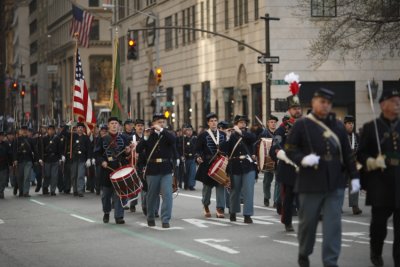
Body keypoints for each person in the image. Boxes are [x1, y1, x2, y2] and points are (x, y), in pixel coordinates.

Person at [285, 88, 360, 267]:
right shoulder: (301, 124)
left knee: (333, 226)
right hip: (309, 183)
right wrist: (302, 159)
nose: (324, 105)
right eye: (321, 101)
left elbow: (347, 153)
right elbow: (289, 148)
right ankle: (304, 252)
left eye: (328, 102)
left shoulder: (338, 125)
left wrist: (355, 176)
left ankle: (330, 261)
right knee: (307, 225)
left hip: (334, 182)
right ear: (313, 103)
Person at [357, 87, 400, 267]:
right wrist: (372, 162)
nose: (397, 103)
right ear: (383, 104)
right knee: (379, 225)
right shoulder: (370, 128)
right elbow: (360, 154)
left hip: (399, 182)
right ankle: (376, 251)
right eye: (393, 100)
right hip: (380, 182)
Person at [136, 113, 176, 228]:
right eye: (159, 122)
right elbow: (139, 149)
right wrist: (145, 137)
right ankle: (150, 216)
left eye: (163, 122)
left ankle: (165, 219)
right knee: (151, 195)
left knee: (167, 195)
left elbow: (173, 140)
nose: (161, 124)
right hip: (152, 169)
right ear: (153, 124)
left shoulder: (167, 134)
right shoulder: (149, 135)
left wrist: (162, 130)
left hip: (166, 168)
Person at [270, 94, 302, 232]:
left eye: (299, 108)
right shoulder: (282, 129)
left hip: (302, 167)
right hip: (288, 168)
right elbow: (274, 147)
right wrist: (280, 153)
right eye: (294, 108)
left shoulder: (305, 125)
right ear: (289, 110)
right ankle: (288, 222)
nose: (297, 111)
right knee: (288, 197)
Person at [95, 117, 131, 224]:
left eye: (116, 123)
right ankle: (106, 212)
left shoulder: (123, 138)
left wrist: (128, 151)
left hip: (120, 168)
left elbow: (126, 154)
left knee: (119, 194)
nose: (114, 125)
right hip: (107, 169)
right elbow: (97, 153)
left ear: (119, 126)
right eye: (112, 123)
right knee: (106, 195)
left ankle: (119, 216)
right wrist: (102, 161)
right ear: (108, 125)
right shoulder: (102, 139)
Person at [222, 115, 257, 223]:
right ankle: (233, 211)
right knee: (234, 190)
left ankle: (247, 215)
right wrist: (227, 137)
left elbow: (252, 139)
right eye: (240, 122)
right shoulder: (232, 136)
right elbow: (223, 150)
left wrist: (240, 132)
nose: (242, 124)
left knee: (248, 191)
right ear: (236, 124)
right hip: (235, 165)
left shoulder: (248, 134)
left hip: (248, 165)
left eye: (244, 122)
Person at [195, 113, 227, 218]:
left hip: (220, 164)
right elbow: (197, 149)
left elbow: (227, 148)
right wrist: (198, 156)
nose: (214, 123)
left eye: (215, 120)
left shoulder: (223, 134)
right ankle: (205, 205)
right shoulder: (203, 135)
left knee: (221, 186)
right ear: (208, 123)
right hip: (207, 164)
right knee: (207, 188)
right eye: (211, 121)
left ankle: (220, 208)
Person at [343, 115, 362, 215]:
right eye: (349, 123)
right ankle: (338, 206)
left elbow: (360, 149)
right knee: (340, 186)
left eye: (352, 124)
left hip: (353, 163)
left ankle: (355, 206)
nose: (351, 125)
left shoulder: (357, 136)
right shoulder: (341, 136)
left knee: (354, 184)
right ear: (345, 124)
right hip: (342, 164)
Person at [258, 115, 278, 207]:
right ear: (268, 123)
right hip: (267, 160)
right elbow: (259, 147)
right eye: (271, 122)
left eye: (274, 122)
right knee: (267, 181)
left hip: (277, 160)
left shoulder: (279, 133)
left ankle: (276, 200)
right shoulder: (264, 134)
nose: (273, 124)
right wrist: (260, 162)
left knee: (278, 182)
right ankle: (266, 197)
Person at [12, 125, 37, 197]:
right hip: (20, 160)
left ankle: (26, 192)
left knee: (27, 176)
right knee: (20, 177)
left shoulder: (30, 140)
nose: (24, 131)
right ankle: (21, 190)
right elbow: (14, 151)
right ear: (20, 131)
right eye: (23, 129)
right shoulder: (16, 140)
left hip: (28, 160)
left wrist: (36, 160)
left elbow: (35, 150)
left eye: (26, 129)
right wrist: (15, 159)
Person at [39, 125, 63, 196]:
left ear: (54, 130)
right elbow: (41, 149)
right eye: (49, 129)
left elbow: (59, 149)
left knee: (54, 176)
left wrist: (60, 158)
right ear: (47, 130)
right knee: (47, 175)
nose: (51, 131)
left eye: (52, 130)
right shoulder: (44, 139)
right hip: (47, 159)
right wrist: (41, 158)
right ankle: (45, 187)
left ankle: (53, 190)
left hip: (55, 159)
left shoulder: (57, 138)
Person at [70, 122, 92, 197]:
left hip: (82, 159)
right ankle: (75, 190)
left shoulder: (86, 138)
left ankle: (80, 191)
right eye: (78, 127)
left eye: (81, 128)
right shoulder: (73, 136)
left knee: (80, 175)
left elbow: (89, 149)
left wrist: (89, 159)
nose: (80, 129)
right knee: (74, 175)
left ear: (83, 129)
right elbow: (63, 134)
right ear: (76, 129)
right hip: (74, 159)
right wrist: (68, 126)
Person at [177, 124, 197, 190]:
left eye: (191, 130)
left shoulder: (194, 138)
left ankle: (191, 185)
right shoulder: (182, 139)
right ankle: (186, 184)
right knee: (186, 172)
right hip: (185, 158)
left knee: (192, 172)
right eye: (188, 130)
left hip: (193, 158)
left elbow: (196, 148)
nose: (190, 132)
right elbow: (179, 148)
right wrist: (181, 156)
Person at [0, 131, 10, 199]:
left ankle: (1, 191)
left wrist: (10, 163)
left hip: (4, 164)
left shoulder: (6, 144)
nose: (2, 137)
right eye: (1, 136)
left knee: (3, 180)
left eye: (3, 136)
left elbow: (9, 153)